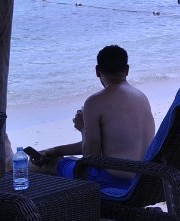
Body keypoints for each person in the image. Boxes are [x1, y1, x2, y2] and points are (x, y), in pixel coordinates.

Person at [32, 45, 155, 189]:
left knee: (45, 164)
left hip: (113, 181)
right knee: (62, 159)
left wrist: (82, 129)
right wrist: (56, 150)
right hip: (142, 181)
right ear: (127, 70)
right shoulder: (141, 97)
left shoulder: (95, 102)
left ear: (97, 71)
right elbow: (113, 146)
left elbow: (90, 158)